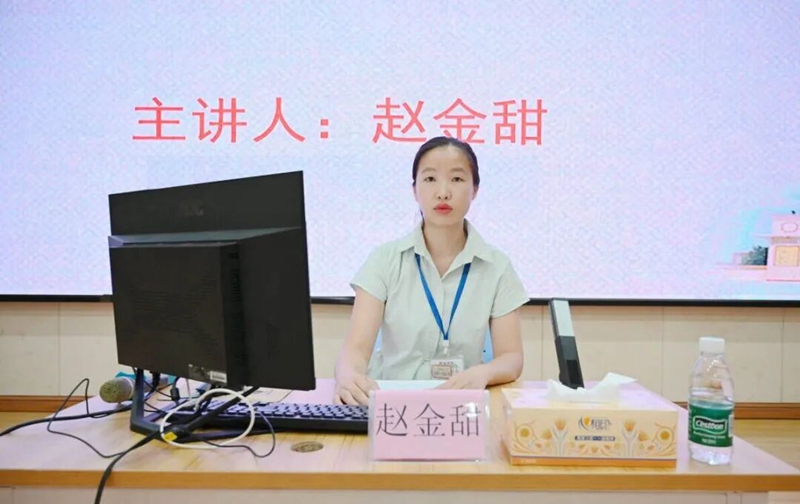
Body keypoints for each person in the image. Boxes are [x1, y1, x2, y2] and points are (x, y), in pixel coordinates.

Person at [333, 136, 529, 405]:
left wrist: (482, 373)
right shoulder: (384, 260)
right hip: (392, 405)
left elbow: (511, 357)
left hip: (462, 407)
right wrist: (348, 374)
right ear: (415, 190)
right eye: (430, 179)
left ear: (475, 189)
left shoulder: (497, 267)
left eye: (457, 179)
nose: (443, 192)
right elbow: (355, 351)